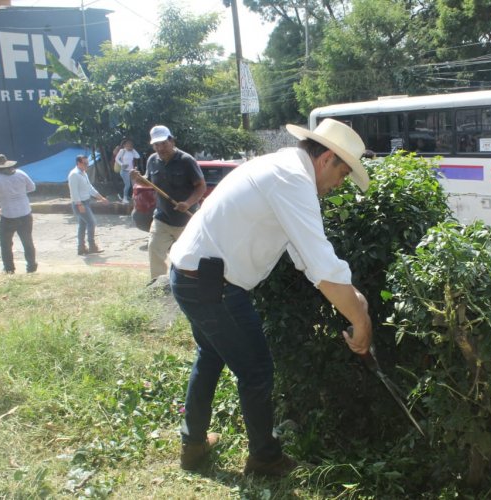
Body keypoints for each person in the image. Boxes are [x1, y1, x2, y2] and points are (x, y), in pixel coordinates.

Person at [168, 118, 373, 477]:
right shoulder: (293, 180)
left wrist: (353, 295)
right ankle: (264, 459)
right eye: (341, 175)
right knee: (257, 370)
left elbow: (306, 256)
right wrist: (361, 320)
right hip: (213, 285)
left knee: (211, 356)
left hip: (194, 276)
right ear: (326, 159)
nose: (338, 186)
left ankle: (194, 445)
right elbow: (321, 264)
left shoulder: (280, 169)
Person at [131, 125, 206, 280]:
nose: (160, 148)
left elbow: (201, 186)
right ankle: (157, 285)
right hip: (162, 218)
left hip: (186, 221)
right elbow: (150, 182)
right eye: (156, 144)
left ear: (171, 141)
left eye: (163, 143)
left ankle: (189, 284)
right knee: (154, 249)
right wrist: (139, 180)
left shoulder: (186, 161)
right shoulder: (153, 160)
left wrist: (187, 202)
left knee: (189, 257)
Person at [0, 154, 38, 274]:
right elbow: (32, 187)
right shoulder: (21, 174)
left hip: (8, 215)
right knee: (27, 241)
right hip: (25, 213)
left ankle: (9, 269)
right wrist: (20, 192)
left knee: (6, 244)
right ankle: (31, 267)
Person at [68, 154, 108, 255]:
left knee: (82, 225)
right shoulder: (74, 175)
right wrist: (79, 204)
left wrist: (101, 197)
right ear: (78, 163)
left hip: (86, 202)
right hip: (80, 203)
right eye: (85, 163)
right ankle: (92, 246)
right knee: (91, 222)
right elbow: (74, 192)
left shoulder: (83, 173)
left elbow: (90, 188)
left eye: (87, 163)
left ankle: (81, 248)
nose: (87, 165)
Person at [115, 139, 140, 204]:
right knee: (127, 185)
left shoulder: (132, 151)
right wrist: (122, 164)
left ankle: (134, 198)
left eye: (130, 144)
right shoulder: (122, 151)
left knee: (134, 185)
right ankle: (124, 198)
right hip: (124, 171)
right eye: (128, 144)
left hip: (131, 171)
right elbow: (117, 158)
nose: (129, 145)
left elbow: (138, 156)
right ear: (124, 145)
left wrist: (133, 150)